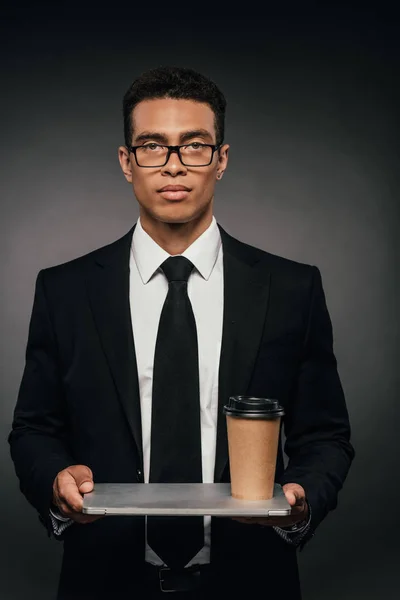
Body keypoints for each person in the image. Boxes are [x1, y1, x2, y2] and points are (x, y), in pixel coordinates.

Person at [8, 66, 355, 600]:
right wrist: (55, 483)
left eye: (194, 146)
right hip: (103, 581)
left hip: (251, 581)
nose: (174, 167)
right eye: (152, 146)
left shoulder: (291, 288)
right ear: (127, 162)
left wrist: (300, 497)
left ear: (222, 160)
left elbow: (326, 435)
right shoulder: (64, 291)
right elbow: (33, 429)